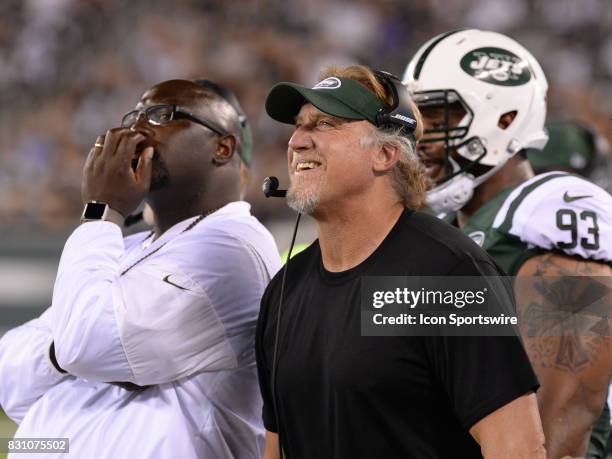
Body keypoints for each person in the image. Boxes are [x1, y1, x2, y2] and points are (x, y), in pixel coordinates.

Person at [256, 64, 546, 458]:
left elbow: (517, 446)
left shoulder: (452, 276)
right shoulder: (285, 290)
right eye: (299, 125)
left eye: (325, 124)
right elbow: (278, 447)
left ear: (385, 153)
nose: (297, 141)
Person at [0, 79, 281, 458]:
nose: (136, 130)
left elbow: (87, 343)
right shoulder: (124, 246)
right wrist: (60, 353)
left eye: (161, 115)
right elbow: (11, 379)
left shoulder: (233, 245)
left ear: (222, 146)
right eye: (133, 115)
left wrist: (102, 209)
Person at [403, 28, 612, 458]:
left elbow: (564, 418)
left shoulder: (548, 212)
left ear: (504, 118)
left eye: (439, 119)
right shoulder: (443, 228)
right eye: (417, 122)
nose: (420, 140)